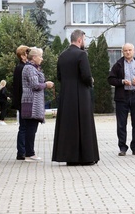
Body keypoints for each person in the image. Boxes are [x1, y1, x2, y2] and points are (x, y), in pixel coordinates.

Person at [52, 29, 100, 166]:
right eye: (84, 39)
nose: (84, 42)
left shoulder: (62, 55)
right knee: (84, 125)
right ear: (79, 40)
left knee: (68, 126)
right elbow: (86, 75)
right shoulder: (81, 54)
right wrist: (91, 81)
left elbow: (59, 77)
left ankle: (70, 157)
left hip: (66, 95)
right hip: (81, 94)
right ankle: (86, 157)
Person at [108, 43, 135, 156]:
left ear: (134, 51)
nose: (128, 52)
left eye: (130, 50)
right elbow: (111, 79)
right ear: (122, 52)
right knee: (121, 123)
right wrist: (122, 81)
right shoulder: (118, 65)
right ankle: (122, 147)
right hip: (122, 96)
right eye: (125, 50)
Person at [21, 47, 54, 162]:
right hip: (31, 103)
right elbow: (35, 85)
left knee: (31, 128)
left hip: (32, 102)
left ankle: (29, 153)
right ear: (34, 57)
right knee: (30, 129)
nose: (42, 59)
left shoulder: (33, 68)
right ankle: (29, 154)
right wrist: (46, 85)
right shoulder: (30, 68)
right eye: (40, 56)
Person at [12, 45, 29, 160]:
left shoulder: (20, 67)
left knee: (23, 127)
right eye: (27, 53)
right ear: (23, 56)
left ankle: (22, 151)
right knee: (23, 127)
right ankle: (22, 152)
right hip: (23, 101)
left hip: (20, 101)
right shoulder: (23, 68)